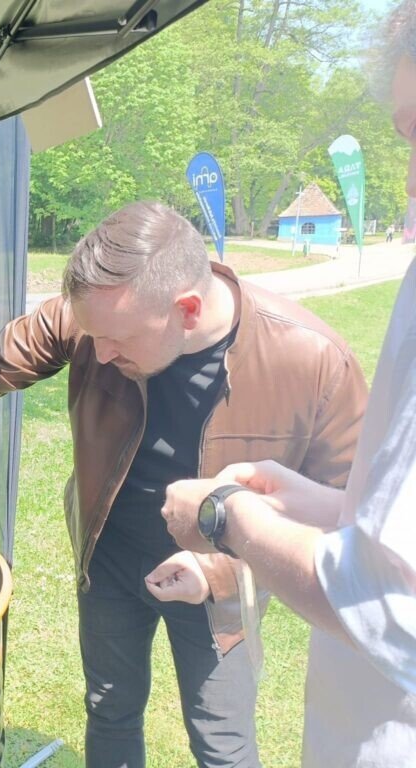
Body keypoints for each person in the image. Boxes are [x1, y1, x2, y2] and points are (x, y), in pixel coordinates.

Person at [0, 200, 368, 767]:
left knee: (221, 740)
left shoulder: (314, 361)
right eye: (92, 336)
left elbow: (345, 524)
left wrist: (219, 571)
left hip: (224, 579)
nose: (99, 355)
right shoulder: (97, 320)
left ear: (186, 310)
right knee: (110, 711)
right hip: (109, 558)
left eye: (117, 341)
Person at [161, 3, 416, 763]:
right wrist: (316, 503)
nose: (409, 178)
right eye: (407, 138)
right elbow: (394, 532)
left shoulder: (312, 354)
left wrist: (226, 519)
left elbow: (392, 603)